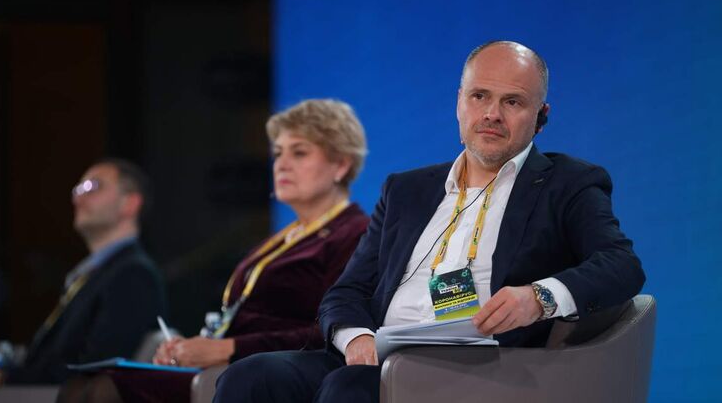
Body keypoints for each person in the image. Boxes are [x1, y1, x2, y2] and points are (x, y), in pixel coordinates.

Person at [213, 41, 646, 403]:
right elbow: (346, 292)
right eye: (479, 96)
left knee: (351, 388)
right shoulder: (406, 190)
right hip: (376, 355)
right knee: (250, 377)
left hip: (481, 370)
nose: (492, 114)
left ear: (541, 116)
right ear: (459, 102)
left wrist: (538, 298)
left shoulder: (567, 183)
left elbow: (621, 265)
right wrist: (357, 339)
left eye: (512, 102)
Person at [99, 99, 370, 402]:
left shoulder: (355, 233)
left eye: (299, 152)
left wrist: (227, 348)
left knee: (107, 390)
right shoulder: (285, 237)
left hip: (275, 374)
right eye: (277, 153)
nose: (281, 164)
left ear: (341, 165)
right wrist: (194, 347)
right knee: (102, 381)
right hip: (231, 367)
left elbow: (333, 327)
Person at [0, 159, 166, 390]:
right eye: (77, 190)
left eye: (92, 187)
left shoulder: (133, 276)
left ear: (130, 204)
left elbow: (95, 374)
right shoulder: (95, 274)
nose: (77, 199)